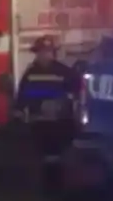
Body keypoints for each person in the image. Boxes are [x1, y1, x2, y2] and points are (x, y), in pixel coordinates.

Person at [14, 35, 81, 163]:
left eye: (48, 52)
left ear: (53, 53)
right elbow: (21, 96)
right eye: (41, 52)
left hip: (60, 125)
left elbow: (77, 93)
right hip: (38, 126)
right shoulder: (30, 73)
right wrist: (19, 112)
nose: (44, 55)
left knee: (58, 159)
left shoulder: (65, 72)